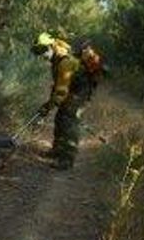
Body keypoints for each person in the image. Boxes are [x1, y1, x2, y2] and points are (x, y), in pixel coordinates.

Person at [30, 32, 96, 170]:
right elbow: (59, 86)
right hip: (72, 89)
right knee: (60, 117)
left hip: (80, 91)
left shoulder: (64, 62)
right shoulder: (56, 59)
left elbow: (61, 92)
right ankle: (58, 150)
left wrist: (48, 106)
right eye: (38, 51)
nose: (41, 54)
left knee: (68, 120)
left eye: (43, 50)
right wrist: (49, 104)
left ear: (51, 46)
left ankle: (67, 159)